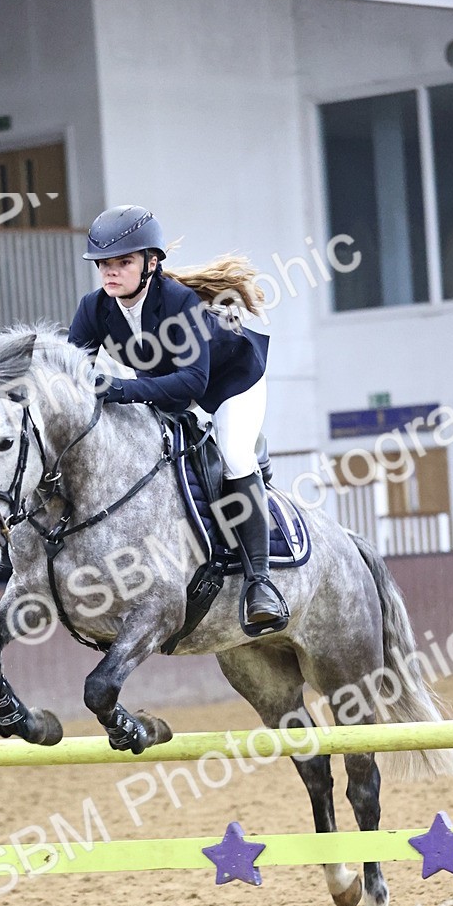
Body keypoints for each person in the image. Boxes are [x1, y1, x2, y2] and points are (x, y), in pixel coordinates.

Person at [68, 204, 288, 629]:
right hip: (170, 390)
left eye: (123, 262)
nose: (110, 272)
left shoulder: (178, 301)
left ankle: (261, 584)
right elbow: (72, 371)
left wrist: (120, 390)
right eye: (104, 265)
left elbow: (192, 382)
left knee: (235, 457)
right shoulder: (94, 309)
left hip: (229, 384)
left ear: (151, 263)